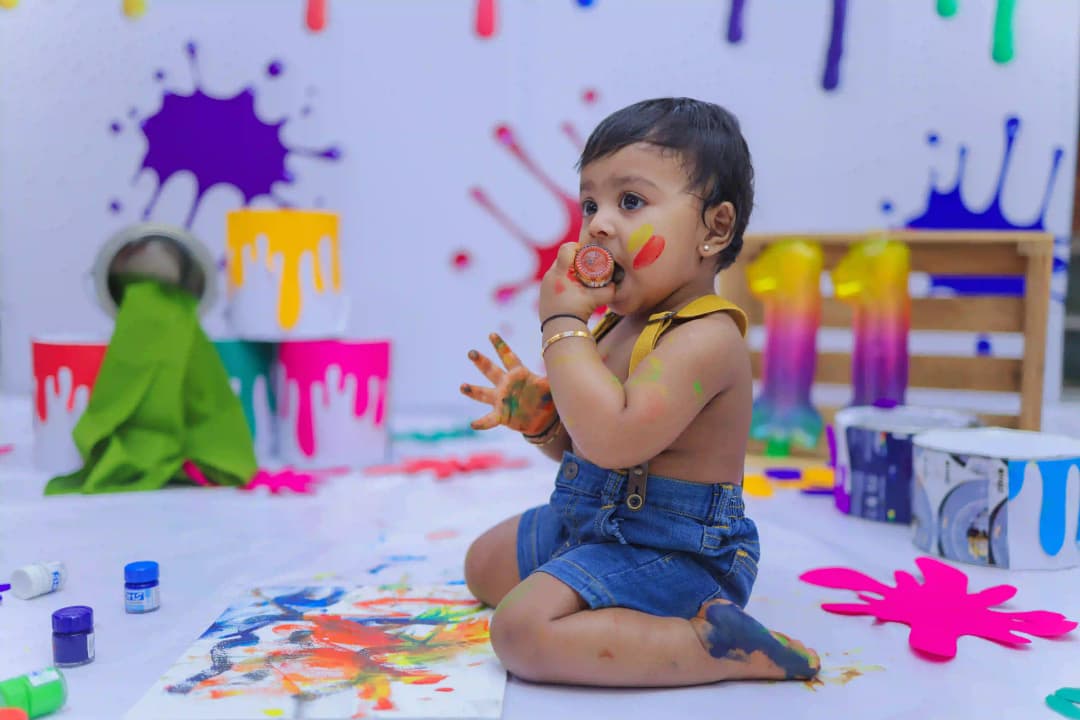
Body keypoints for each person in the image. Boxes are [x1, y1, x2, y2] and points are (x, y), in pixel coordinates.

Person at [460, 97, 820, 686]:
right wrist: (547, 424)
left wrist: (561, 327)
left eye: (630, 201)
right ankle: (598, 598)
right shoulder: (614, 327)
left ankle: (713, 645)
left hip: (676, 553)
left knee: (520, 634)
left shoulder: (706, 337)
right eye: (590, 203)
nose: (598, 223)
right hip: (596, 522)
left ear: (715, 228)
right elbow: (587, 448)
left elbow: (615, 441)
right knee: (484, 567)